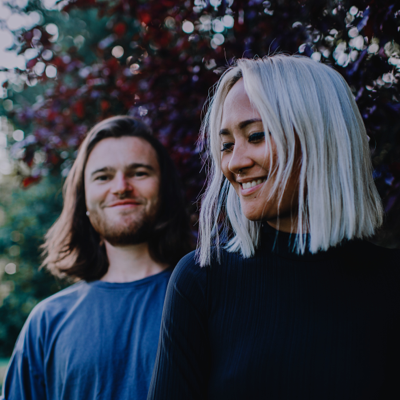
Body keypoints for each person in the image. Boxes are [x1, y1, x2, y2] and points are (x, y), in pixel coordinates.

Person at [148, 55, 400, 400]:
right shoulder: (200, 281)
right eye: (226, 145)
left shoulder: (391, 283)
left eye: (255, 136)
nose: (235, 163)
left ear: (321, 137)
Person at [1, 116, 192, 400]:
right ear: (84, 198)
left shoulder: (205, 301)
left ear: (164, 189)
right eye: (103, 177)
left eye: (139, 173)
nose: (121, 187)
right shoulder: (46, 323)